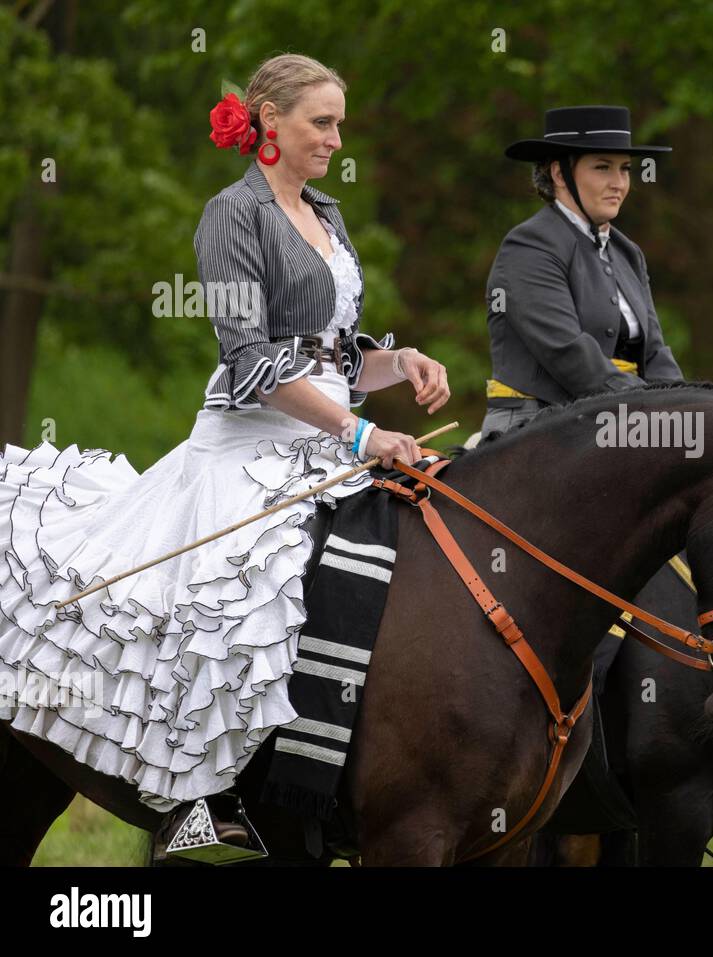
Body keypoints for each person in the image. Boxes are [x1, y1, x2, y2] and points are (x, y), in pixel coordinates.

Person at [0, 54, 449, 846]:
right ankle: (206, 804)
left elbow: (336, 358)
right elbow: (253, 366)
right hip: (247, 445)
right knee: (242, 594)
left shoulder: (328, 214)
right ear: (269, 121)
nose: (336, 139)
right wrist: (361, 432)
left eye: (340, 123)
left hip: (323, 439)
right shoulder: (231, 217)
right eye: (323, 123)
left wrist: (397, 364)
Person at [478, 105, 683, 437]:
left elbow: (655, 354)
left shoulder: (627, 252)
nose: (619, 183)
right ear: (560, 174)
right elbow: (568, 354)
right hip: (536, 427)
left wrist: (695, 405)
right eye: (603, 168)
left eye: (625, 169)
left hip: (614, 423)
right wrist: (653, 408)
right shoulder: (530, 246)